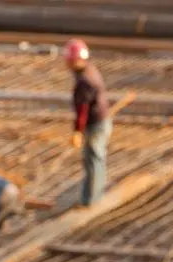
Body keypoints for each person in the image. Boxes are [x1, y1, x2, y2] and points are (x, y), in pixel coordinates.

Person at [64, 38, 111, 207]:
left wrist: (77, 131)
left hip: (96, 124)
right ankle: (94, 196)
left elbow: (82, 110)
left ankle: (90, 200)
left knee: (93, 160)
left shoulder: (84, 82)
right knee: (96, 159)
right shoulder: (90, 70)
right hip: (101, 120)